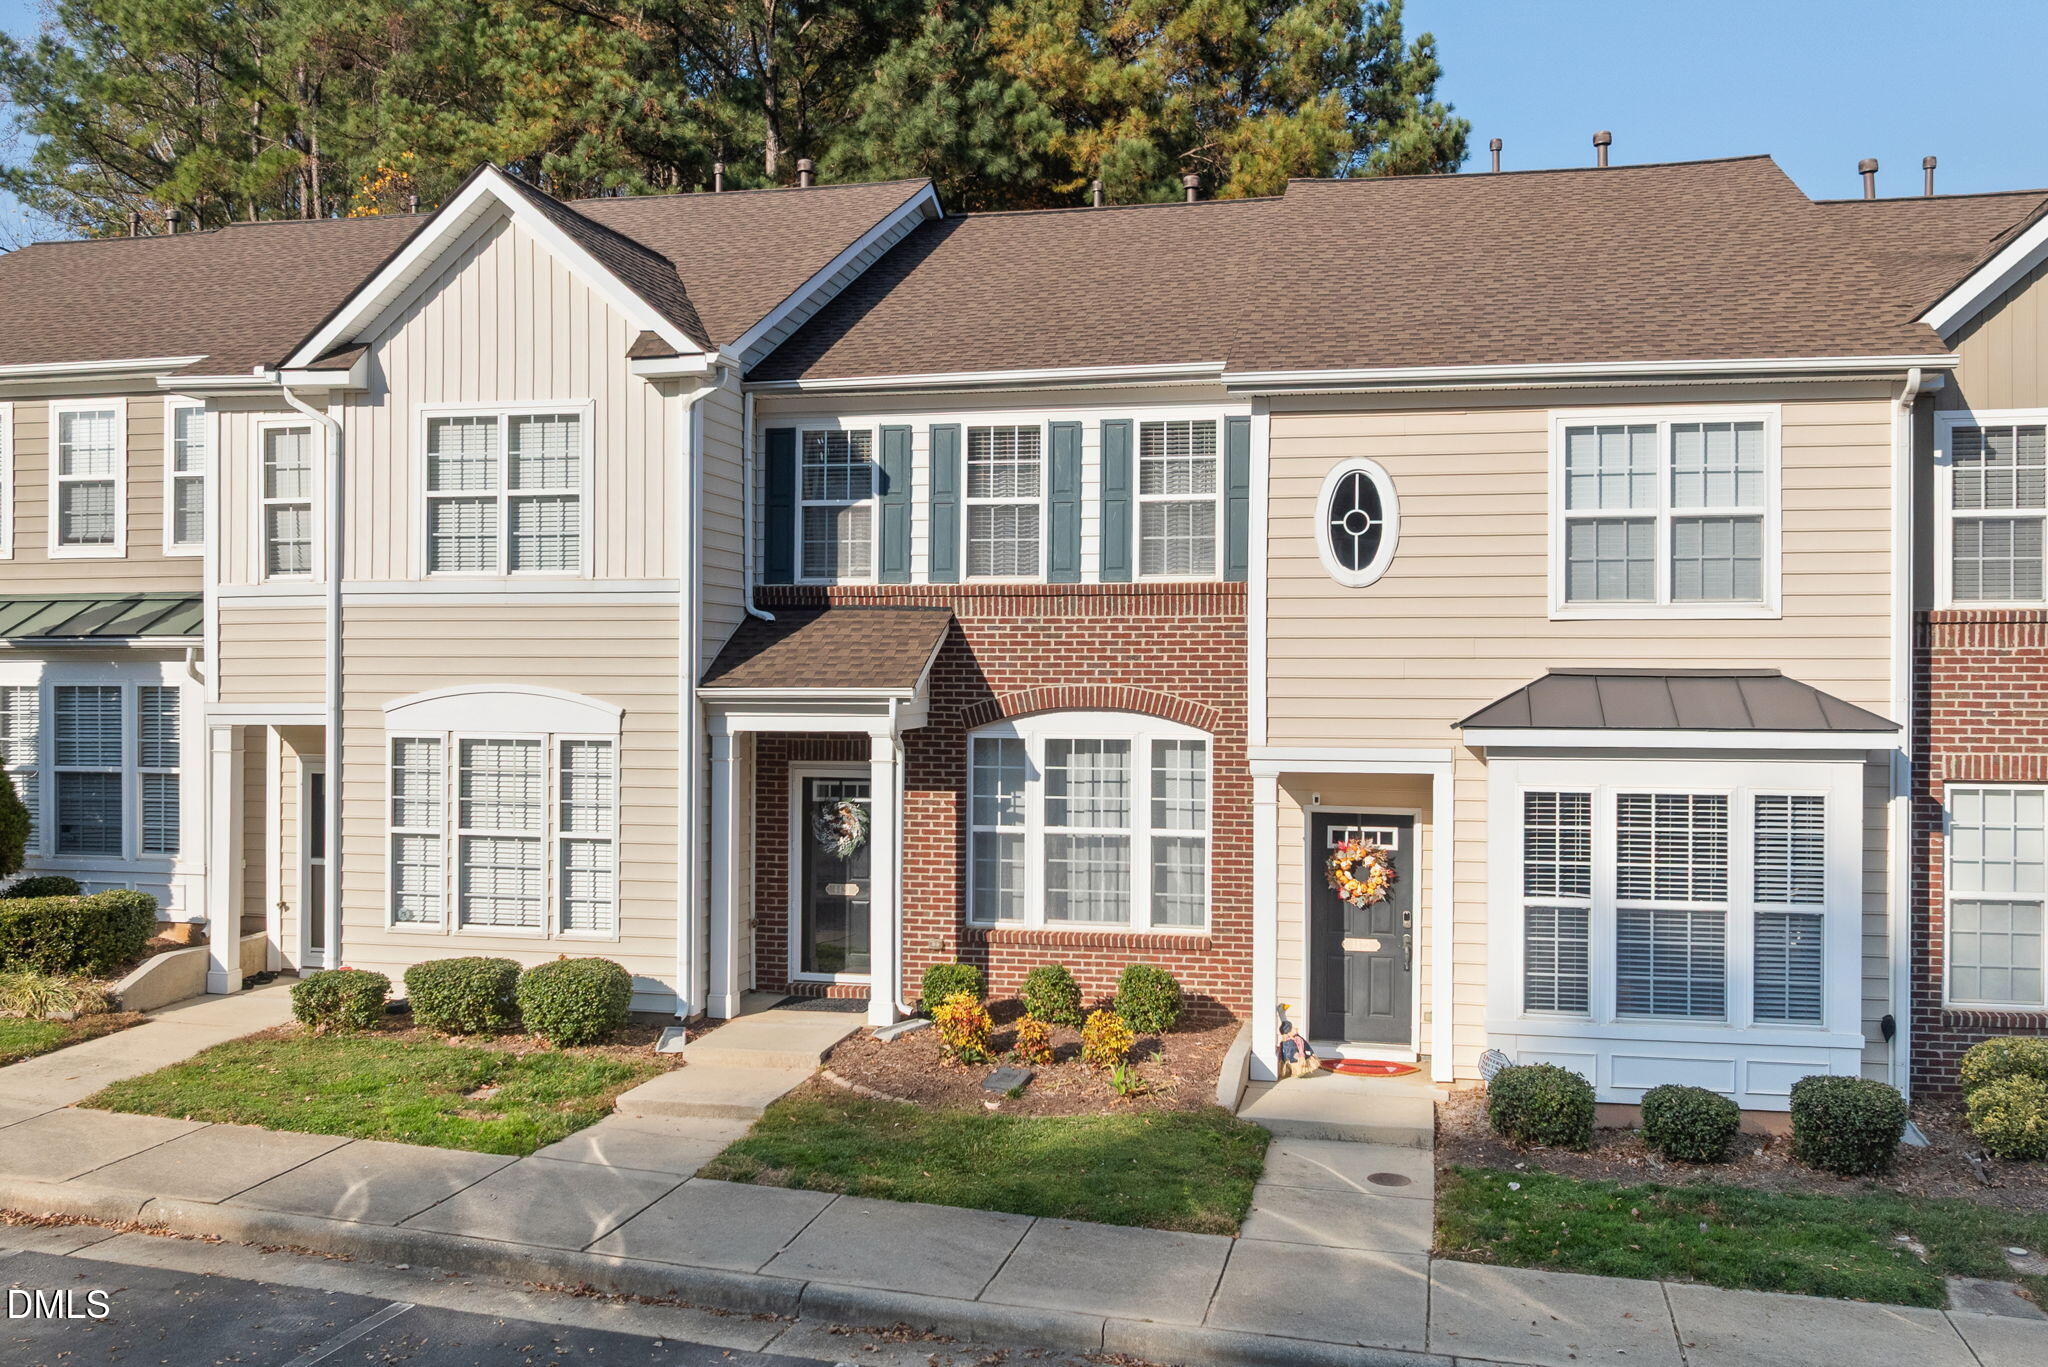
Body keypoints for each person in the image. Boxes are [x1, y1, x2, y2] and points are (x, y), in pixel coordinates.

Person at [1276, 1008, 1318, 1078]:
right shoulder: (1289, 1040)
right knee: (1292, 1062)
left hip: (1295, 1056)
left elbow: (1301, 1047)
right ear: (1289, 1032)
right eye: (1292, 1028)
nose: (1295, 1029)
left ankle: (1299, 1070)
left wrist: (1302, 1056)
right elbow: (1300, 1048)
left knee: (1295, 1061)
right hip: (1292, 1056)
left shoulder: (1292, 1039)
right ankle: (1294, 1070)